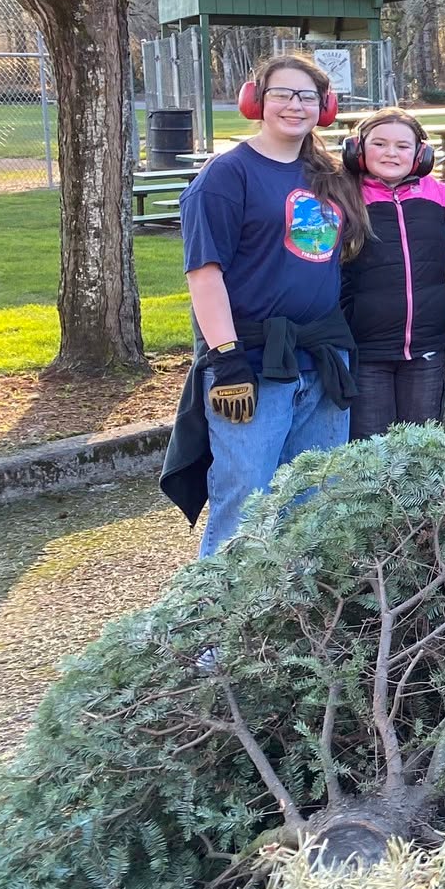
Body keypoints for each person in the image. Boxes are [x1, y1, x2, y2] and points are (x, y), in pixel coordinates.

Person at [161, 53, 367, 556]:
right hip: (251, 366)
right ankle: (219, 628)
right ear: (256, 101)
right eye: (282, 93)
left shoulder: (329, 175)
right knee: (245, 507)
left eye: (307, 96)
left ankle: (297, 626)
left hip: (320, 363)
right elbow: (204, 275)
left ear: (324, 107)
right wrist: (226, 360)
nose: (294, 105)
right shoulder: (226, 176)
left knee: (315, 504)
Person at [340, 107, 445, 437]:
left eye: (403, 146)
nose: (391, 153)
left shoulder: (438, 193)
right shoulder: (342, 196)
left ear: (421, 154)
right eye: (379, 143)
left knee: (422, 450)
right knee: (370, 452)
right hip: (367, 350)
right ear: (357, 149)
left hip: (426, 347)